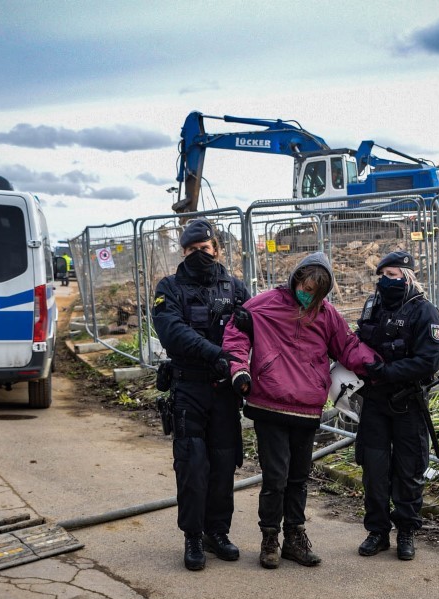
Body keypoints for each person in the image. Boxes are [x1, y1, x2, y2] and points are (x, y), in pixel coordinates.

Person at [223, 251, 379, 569]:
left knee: (298, 478)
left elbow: (348, 347)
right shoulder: (265, 304)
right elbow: (236, 333)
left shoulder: (326, 314)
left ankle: (294, 537)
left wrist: (378, 366)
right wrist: (239, 368)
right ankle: (270, 538)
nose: (307, 295)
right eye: (304, 287)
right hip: (269, 402)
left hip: (307, 408)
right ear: (295, 280)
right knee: (275, 477)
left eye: (315, 292)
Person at [152, 218, 249, 571]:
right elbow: (172, 332)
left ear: (217, 250)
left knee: (224, 465)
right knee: (192, 465)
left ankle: (217, 532)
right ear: (183, 252)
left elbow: (255, 328)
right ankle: (192, 536)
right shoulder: (170, 287)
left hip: (224, 392)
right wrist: (215, 354)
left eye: (204, 250)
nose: (198, 256)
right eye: (191, 251)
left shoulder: (235, 288)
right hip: (189, 387)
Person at [354, 251, 439, 561]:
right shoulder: (371, 307)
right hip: (375, 402)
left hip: (408, 403)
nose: (387, 280)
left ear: (408, 277)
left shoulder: (424, 311)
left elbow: (428, 361)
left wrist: (387, 372)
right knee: (374, 470)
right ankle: (377, 532)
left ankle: (406, 531)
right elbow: (357, 342)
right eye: (383, 275)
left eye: (394, 275)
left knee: (408, 472)